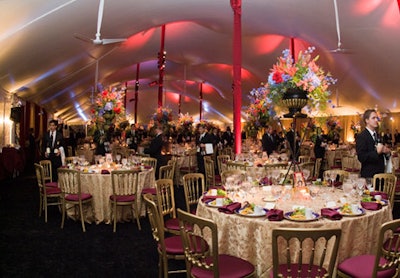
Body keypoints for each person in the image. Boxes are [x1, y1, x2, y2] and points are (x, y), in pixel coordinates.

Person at [356, 109, 392, 178]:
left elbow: (383, 155)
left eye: (377, 118)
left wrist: (387, 152)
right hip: (369, 175)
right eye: (373, 118)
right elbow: (361, 157)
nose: (376, 120)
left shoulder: (378, 135)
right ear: (367, 120)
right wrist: (377, 152)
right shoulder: (362, 136)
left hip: (381, 174)